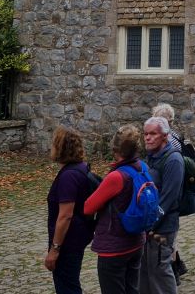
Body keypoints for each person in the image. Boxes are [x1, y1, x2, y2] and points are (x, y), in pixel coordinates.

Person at [84, 124, 147, 294]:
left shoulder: (117, 176)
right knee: (132, 290)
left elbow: (88, 207)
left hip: (115, 248)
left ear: (115, 149)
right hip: (136, 242)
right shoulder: (142, 167)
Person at [45, 126, 94, 294]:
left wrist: (55, 249)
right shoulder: (80, 168)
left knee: (67, 287)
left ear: (60, 147)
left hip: (68, 242)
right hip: (77, 237)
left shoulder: (69, 176)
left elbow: (65, 216)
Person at [140, 116, 185, 294]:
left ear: (165, 136)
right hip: (147, 226)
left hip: (163, 228)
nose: (147, 138)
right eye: (145, 134)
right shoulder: (151, 157)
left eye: (153, 134)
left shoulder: (173, 160)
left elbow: (168, 199)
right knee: (145, 271)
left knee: (160, 271)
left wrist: (149, 224)